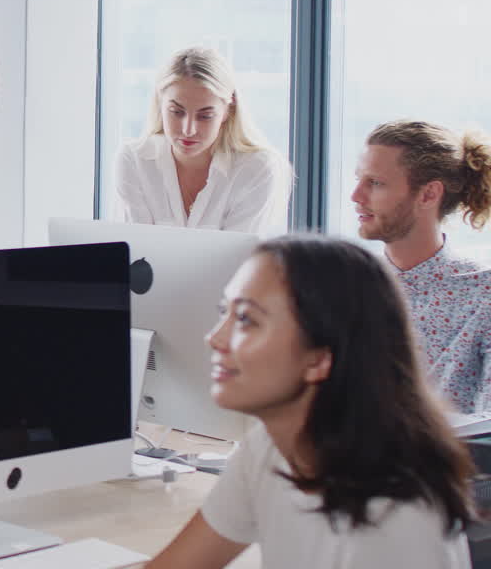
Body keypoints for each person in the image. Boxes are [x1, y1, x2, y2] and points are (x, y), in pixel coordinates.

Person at [148, 236, 474, 569]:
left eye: (245, 319)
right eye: (224, 312)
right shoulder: (270, 446)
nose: (214, 337)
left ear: (320, 359)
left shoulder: (393, 522)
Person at [351, 119, 491, 414]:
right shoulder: (344, 287)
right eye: (358, 180)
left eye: (375, 183)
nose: (356, 196)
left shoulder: (483, 296)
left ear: (428, 194)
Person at [115, 47, 290, 234]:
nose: (188, 130)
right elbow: (135, 250)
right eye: (177, 112)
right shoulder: (135, 160)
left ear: (227, 111)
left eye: (205, 116)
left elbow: (239, 257)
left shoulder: (256, 169)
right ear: (160, 104)